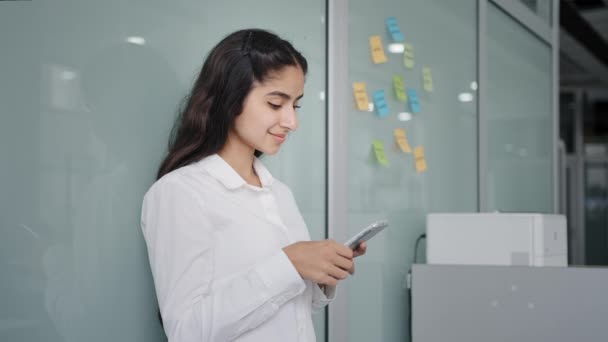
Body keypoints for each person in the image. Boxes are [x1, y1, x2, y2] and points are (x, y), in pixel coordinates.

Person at [140, 29, 367, 342]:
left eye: (295, 106)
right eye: (276, 104)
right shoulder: (181, 193)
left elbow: (290, 311)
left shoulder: (279, 192)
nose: (291, 122)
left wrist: (324, 269)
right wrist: (290, 263)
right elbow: (186, 330)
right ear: (230, 98)